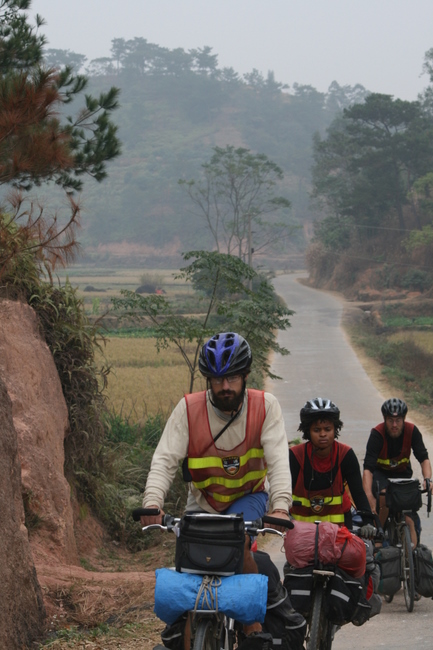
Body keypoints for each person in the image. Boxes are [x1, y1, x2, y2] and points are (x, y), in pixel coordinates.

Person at [141, 332, 305, 650]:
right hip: (202, 501)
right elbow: (164, 460)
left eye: (231, 377)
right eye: (217, 380)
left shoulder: (264, 407)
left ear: (244, 376)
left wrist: (281, 506)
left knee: (237, 541)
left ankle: (252, 631)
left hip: (250, 497)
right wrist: (152, 504)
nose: (225, 386)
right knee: (191, 569)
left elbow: (279, 462)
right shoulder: (188, 410)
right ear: (208, 381)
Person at [289, 397, 376, 534]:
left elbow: (358, 492)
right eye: (316, 430)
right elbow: (284, 490)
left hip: (339, 530)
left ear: (335, 429)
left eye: (327, 429)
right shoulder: (295, 456)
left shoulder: (345, 455)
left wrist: (368, 523)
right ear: (308, 432)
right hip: (301, 534)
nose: (323, 434)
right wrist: (282, 513)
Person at [362, 397, 433, 547]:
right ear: (384, 419)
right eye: (390, 420)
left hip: (402, 474)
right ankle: (378, 537)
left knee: (410, 516)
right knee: (383, 497)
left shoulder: (412, 431)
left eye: (398, 420)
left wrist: (428, 479)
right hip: (381, 475)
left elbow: (424, 458)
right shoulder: (377, 434)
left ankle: (413, 554)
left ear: (404, 419)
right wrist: (368, 495)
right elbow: (368, 468)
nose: (394, 425)